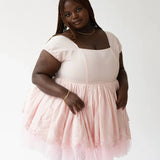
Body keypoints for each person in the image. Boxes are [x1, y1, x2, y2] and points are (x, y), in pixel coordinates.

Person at [22, 0, 131, 159]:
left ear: (88, 8)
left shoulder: (111, 39)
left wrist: (124, 87)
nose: (74, 16)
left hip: (103, 111)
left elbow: (120, 70)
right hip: (73, 110)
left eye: (78, 9)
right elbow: (38, 75)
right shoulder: (60, 42)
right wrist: (66, 95)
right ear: (63, 18)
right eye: (67, 14)